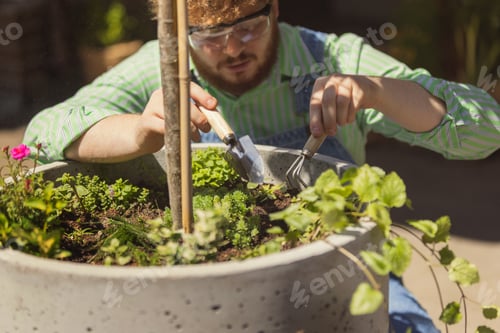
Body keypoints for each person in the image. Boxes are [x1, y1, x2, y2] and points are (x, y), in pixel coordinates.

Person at [23, 0, 500, 332]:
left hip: (340, 273)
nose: (232, 49)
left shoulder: (331, 56)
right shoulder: (159, 65)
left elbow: (485, 131)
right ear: (178, 31)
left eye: (247, 27)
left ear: (274, 8)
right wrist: (139, 130)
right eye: (209, 36)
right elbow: (42, 134)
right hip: (210, 287)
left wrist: (377, 91)